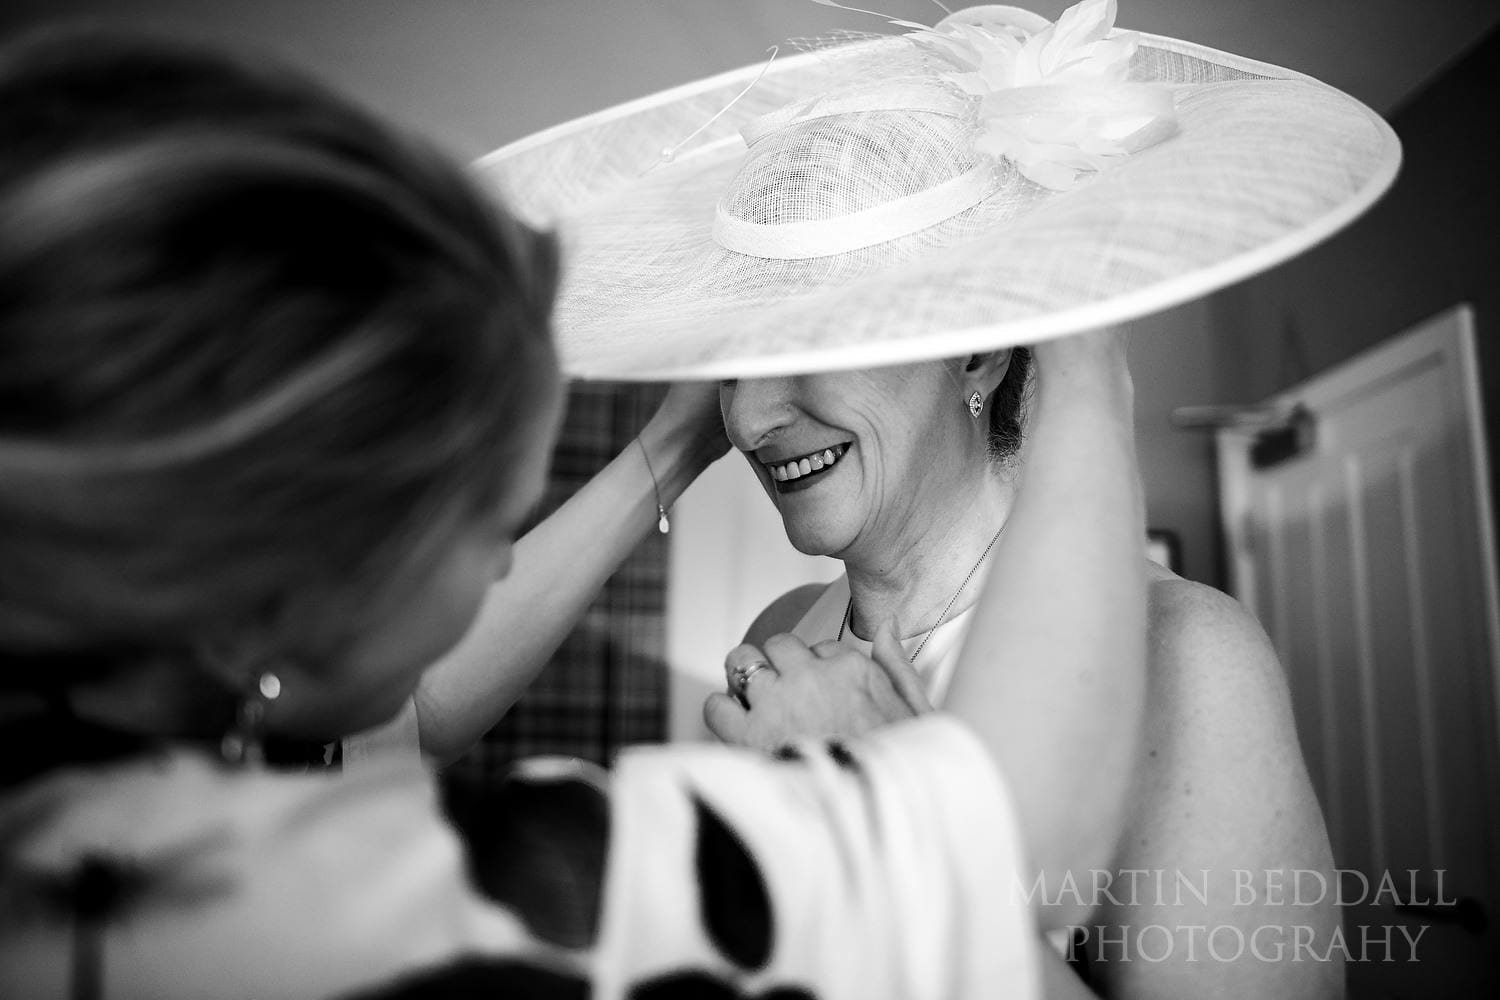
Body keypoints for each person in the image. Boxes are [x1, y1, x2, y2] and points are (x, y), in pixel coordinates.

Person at [0, 26, 1152, 999]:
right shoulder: (305, 901)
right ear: (286, 589)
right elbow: (999, 843)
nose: (493, 572)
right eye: (477, 523)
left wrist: (675, 438)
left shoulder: (95, 791)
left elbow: (414, 709)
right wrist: (1091, 332)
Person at [477, 2, 1399, 997]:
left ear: (977, 343)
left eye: (814, 348)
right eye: (735, 365)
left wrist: (883, 812)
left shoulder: (1185, 659)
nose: (748, 418)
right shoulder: (785, 630)